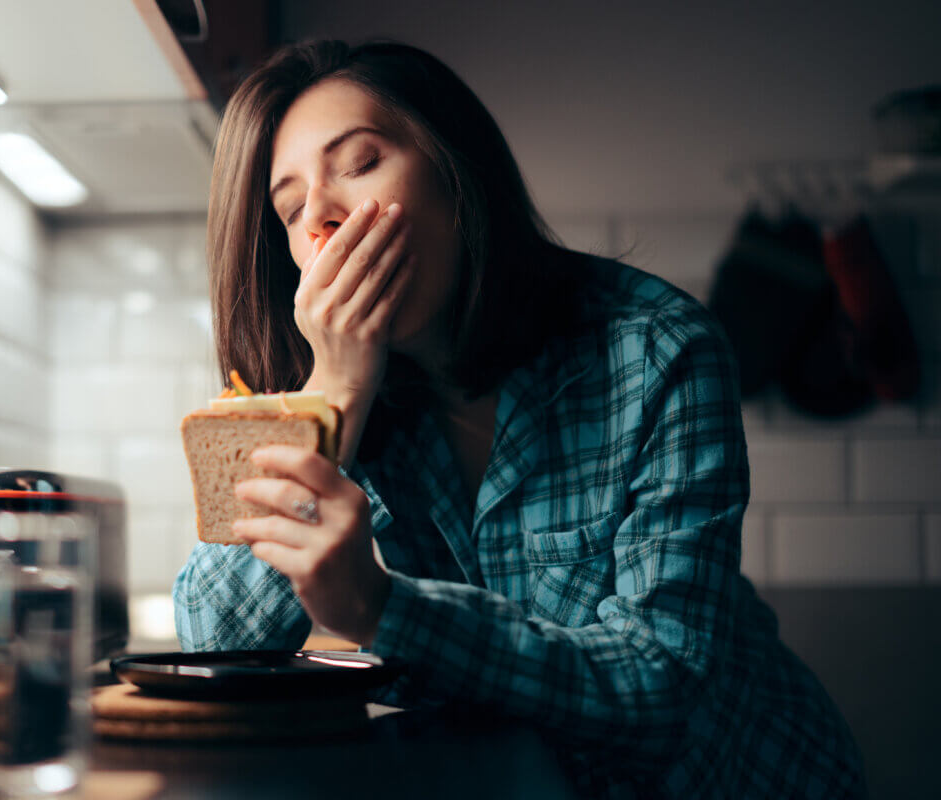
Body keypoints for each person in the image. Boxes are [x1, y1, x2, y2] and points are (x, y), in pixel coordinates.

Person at [173, 38, 867, 799]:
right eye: (293, 208)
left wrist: (381, 607)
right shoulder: (314, 397)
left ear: (455, 173)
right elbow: (214, 646)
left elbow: (660, 685)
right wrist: (333, 394)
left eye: (361, 162)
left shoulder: (658, 349)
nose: (325, 224)